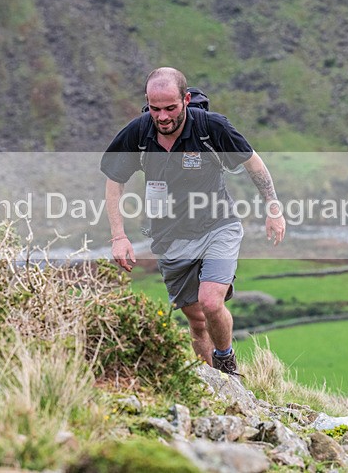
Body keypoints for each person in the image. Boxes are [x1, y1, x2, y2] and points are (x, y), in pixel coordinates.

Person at [101, 67, 286, 376]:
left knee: (211, 303)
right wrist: (118, 235)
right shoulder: (139, 132)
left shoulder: (210, 127)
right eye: (155, 108)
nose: (161, 117)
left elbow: (253, 162)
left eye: (170, 108)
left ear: (185, 100)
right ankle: (211, 384)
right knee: (197, 320)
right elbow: (114, 180)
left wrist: (273, 207)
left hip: (218, 226)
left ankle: (227, 363)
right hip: (170, 238)